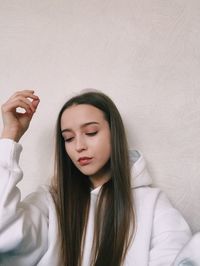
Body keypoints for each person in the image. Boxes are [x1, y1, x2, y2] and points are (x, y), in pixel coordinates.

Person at [0, 89, 192, 266]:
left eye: (91, 132)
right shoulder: (50, 202)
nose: (79, 146)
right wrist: (10, 135)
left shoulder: (152, 204)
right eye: (68, 138)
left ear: (113, 133)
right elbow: (4, 233)